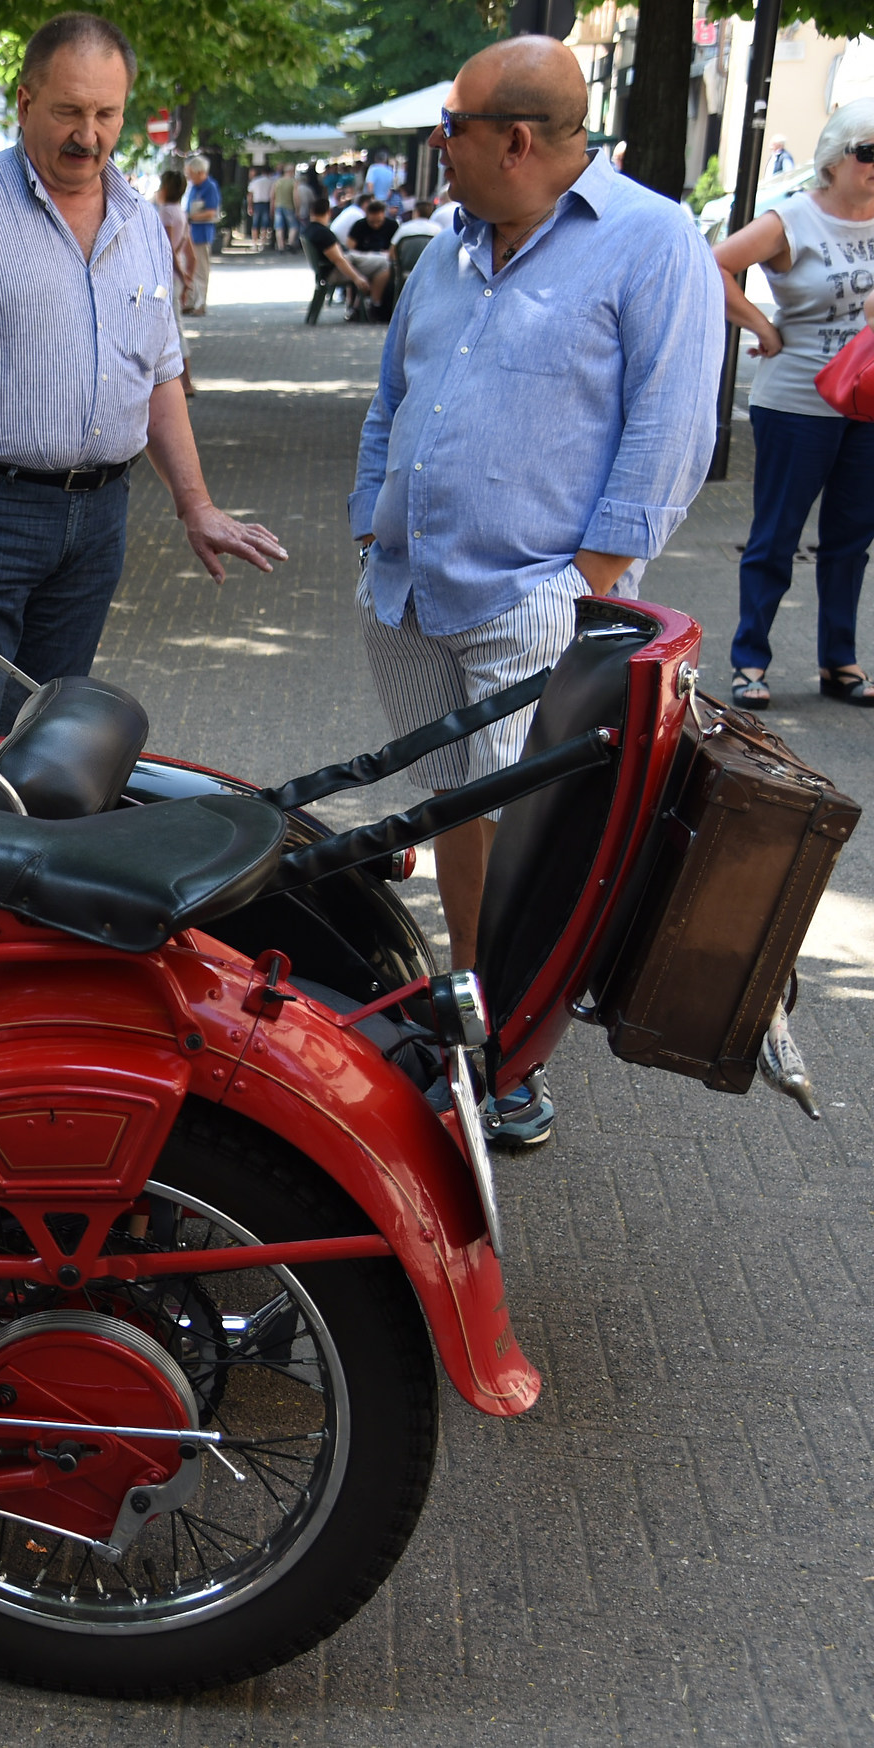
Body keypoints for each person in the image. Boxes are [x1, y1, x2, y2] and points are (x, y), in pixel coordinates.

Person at [351, 35, 721, 1146]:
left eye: (451, 127)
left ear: (514, 140)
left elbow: (672, 430)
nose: (439, 145)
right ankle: (473, 1007)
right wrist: (372, 518)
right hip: (409, 590)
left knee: (527, 835)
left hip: (533, 599)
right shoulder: (447, 246)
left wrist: (586, 584)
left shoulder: (653, 240)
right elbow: (391, 395)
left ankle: (506, 1058)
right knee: (458, 807)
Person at [0, 10, 285, 735]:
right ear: (25, 102)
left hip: (98, 522)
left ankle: (25, 817)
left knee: (49, 737)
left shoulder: (141, 222)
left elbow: (159, 377)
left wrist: (197, 505)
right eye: (69, 112)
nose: (89, 135)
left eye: (106, 114)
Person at [716, 99, 874, 708]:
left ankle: (840, 661)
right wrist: (762, 326)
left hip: (868, 402)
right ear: (834, 159)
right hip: (798, 400)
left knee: (851, 539)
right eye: (868, 152)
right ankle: (749, 660)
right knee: (776, 535)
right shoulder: (793, 219)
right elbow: (713, 265)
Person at [152, 167, 198, 395]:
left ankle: (185, 381)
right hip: (175, 277)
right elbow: (189, 252)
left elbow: (167, 247)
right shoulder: (181, 212)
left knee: (172, 326)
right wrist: (187, 276)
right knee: (174, 324)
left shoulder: (165, 212)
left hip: (166, 276)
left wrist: (180, 274)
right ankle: (183, 380)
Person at [303, 194, 382, 307]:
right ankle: (373, 305)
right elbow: (339, 259)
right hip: (336, 271)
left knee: (377, 260)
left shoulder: (309, 231)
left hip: (329, 269)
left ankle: (357, 305)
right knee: (383, 264)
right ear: (329, 212)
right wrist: (357, 278)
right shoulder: (323, 233)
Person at [182, 154, 220, 310]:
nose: (189, 176)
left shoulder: (210, 187)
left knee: (201, 270)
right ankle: (189, 301)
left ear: (200, 172)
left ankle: (200, 303)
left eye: (191, 173)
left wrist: (191, 217)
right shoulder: (193, 187)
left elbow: (211, 212)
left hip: (202, 232)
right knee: (189, 267)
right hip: (190, 233)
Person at [271, 163, 299, 251]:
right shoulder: (293, 182)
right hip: (289, 206)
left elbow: (272, 196)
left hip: (278, 206)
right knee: (293, 226)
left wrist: (271, 208)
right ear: (291, 171)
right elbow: (295, 196)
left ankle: (280, 247)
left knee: (279, 227)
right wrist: (297, 208)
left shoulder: (277, 182)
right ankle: (290, 243)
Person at [247, 166, 274, 241]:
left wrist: (249, 206)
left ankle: (254, 241)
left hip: (256, 203)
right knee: (264, 224)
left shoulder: (254, 181)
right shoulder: (270, 181)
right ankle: (263, 241)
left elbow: (250, 195)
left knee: (255, 224)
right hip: (266, 203)